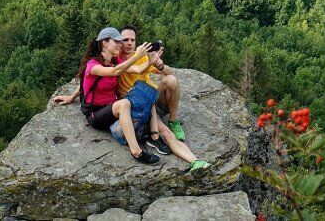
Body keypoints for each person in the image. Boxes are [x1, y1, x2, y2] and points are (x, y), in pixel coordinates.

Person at [51, 27, 159, 165]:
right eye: (117, 41)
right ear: (105, 43)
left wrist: (150, 61)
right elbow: (115, 72)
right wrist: (136, 56)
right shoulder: (93, 65)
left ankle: (139, 132)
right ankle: (136, 152)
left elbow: (137, 69)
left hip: (110, 107)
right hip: (95, 113)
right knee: (124, 103)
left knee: (140, 96)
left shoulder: (114, 60)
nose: (121, 45)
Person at [116, 26, 210, 172]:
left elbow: (169, 72)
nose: (129, 43)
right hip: (141, 105)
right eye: (125, 40)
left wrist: (159, 64)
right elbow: (133, 69)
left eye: (132, 40)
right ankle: (195, 161)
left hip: (153, 97)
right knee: (166, 134)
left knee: (171, 80)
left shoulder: (141, 55)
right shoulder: (116, 60)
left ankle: (173, 120)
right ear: (118, 41)